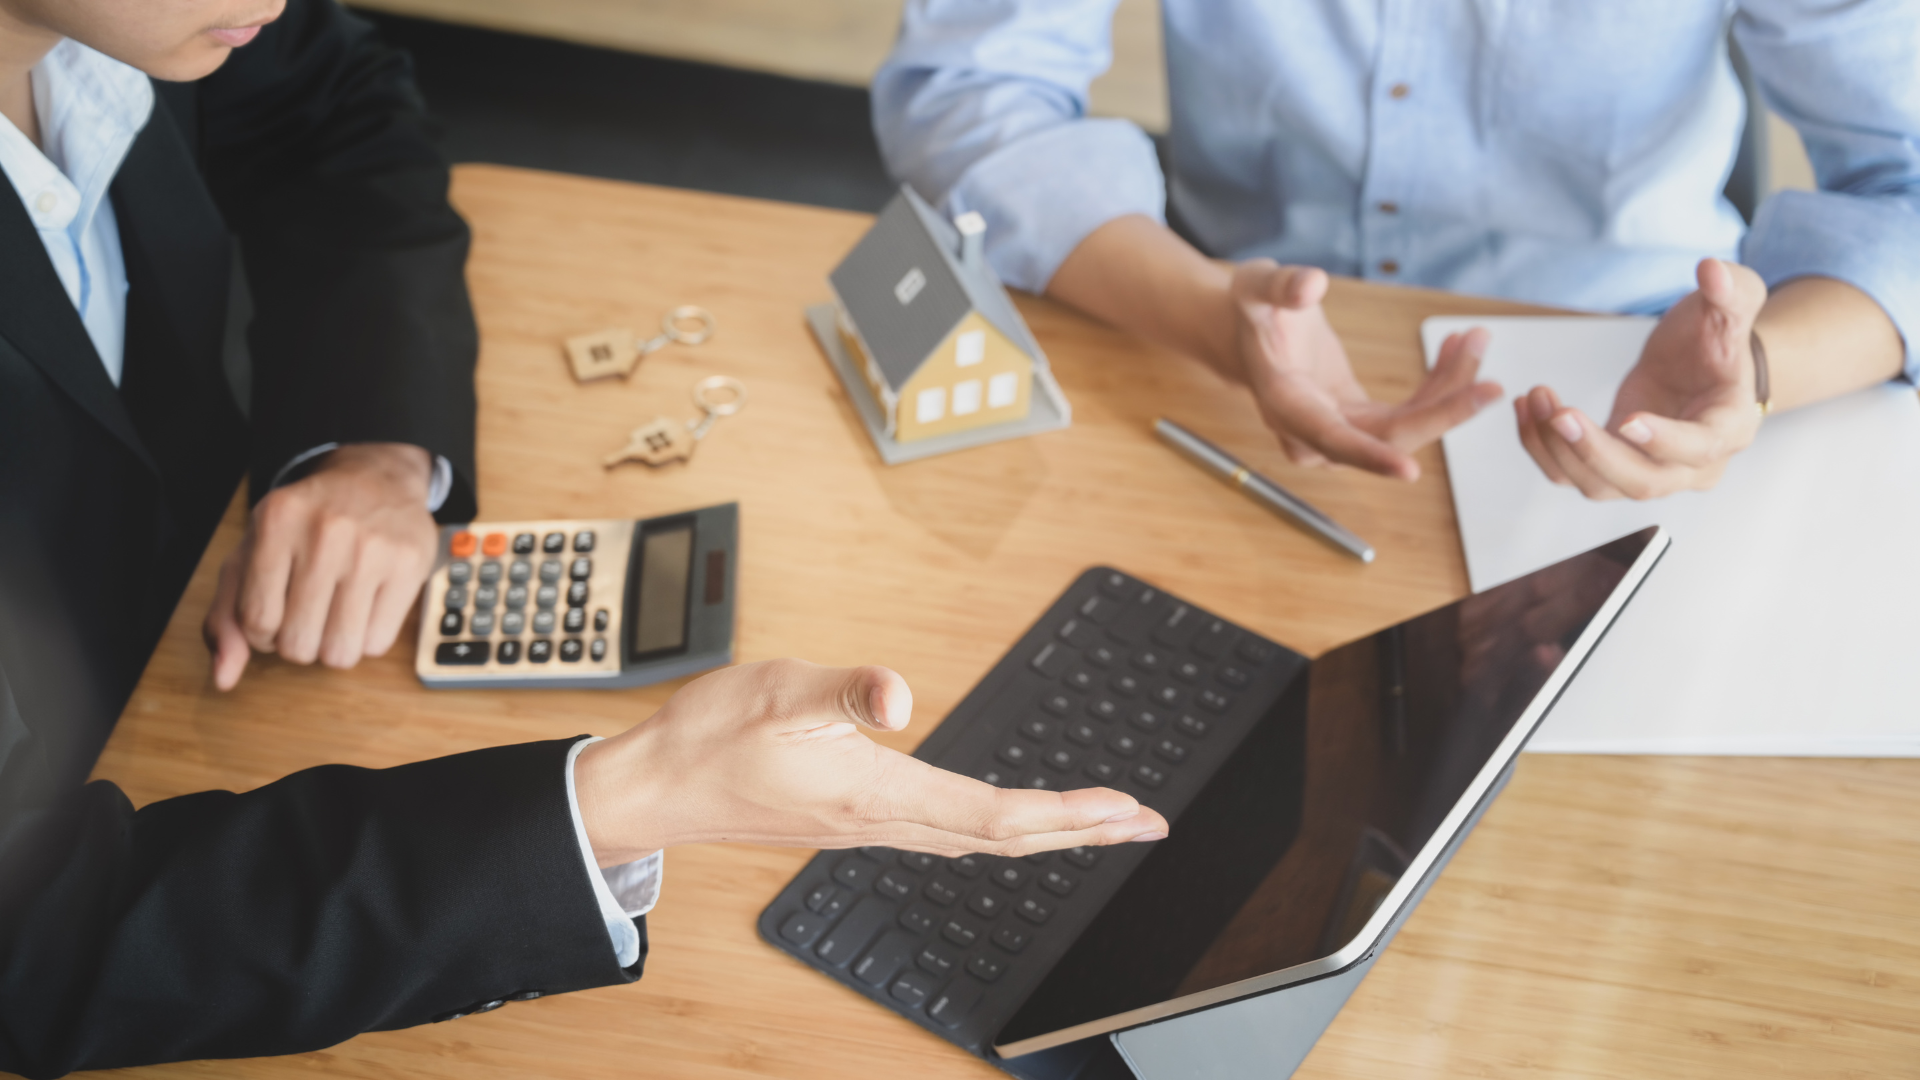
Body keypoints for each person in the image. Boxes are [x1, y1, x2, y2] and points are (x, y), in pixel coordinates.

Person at [0, 2, 1167, 1075]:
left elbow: (332, 108)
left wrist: (375, 446)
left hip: (183, 643)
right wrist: (627, 794)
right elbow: (27, 956)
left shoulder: (165, 21)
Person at [873, 0, 1917, 501]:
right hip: (1208, 349)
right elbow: (972, 88)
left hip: (1634, 373)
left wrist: (1764, 371)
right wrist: (1207, 314)